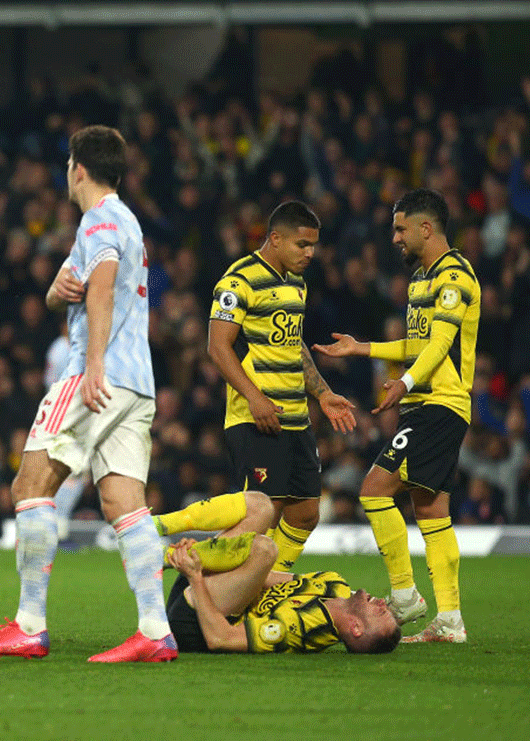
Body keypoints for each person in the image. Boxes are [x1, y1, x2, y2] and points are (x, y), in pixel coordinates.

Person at [0, 125, 175, 663]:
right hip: (137, 383)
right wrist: (56, 294)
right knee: (123, 502)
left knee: (31, 485)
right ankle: (154, 628)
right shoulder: (126, 221)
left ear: (77, 168)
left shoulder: (97, 219)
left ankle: (29, 623)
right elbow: (75, 286)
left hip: (94, 375)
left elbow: (100, 284)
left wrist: (93, 363)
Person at [313, 188, 480, 643]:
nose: (394, 238)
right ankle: (449, 619)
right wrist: (361, 348)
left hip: (439, 405)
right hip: (424, 404)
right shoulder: (422, 281)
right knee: (430, 510)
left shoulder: (454, 276)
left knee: (373, 490)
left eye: (400, 228)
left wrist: (405, 383)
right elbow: (416, 345)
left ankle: (406, 595)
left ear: (427, 228)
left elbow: (441, 344)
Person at [201, 201, 356, 573]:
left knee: (305, 513)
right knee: (259, 517)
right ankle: (203, 587)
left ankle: (267, 582)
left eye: (314, 245)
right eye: (302, 245)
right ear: (275, 238)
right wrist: (254, 398)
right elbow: (217, 347)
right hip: (255, 418)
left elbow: (293, 344)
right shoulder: (238, 280)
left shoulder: (296, 284)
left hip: (296, 418)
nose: (310, 254)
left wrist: (321, 393)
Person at [162, 498, 401, 655]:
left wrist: (196, 575)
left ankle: (166, 556)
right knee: (261, 506)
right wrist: (208, 559)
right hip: (210, 590)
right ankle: (157, 532)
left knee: (264, 550)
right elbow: (259, 577)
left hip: (196, 620)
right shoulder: (333, 584)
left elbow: (220, 638)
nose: (382, 603)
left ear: (356, 628)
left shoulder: (303, 630)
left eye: (381, 612)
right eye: (386, 607)